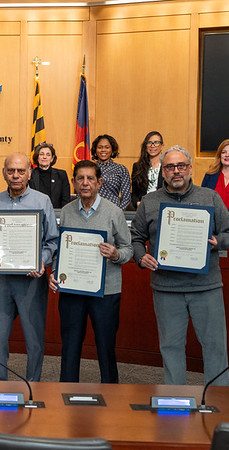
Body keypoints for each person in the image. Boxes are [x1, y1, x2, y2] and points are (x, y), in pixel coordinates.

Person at [131, 145, 229, 386]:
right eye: (170, 167)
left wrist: (217, 241)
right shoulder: (149, 202)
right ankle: (175, 403)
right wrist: (140, 257)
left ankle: (219, 402)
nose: (176, 171)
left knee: (214, 347)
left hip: (206, 287)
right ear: (164, 172)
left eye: (181, 166)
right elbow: (135, 238)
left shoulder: (209, 197)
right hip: (166, 289)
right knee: (170, 348)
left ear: (190, 168)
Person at [48, 160, 132, 383]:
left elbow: (128, 249)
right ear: (74, 182)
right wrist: (55, 272)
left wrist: (116, 254)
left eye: (90, 179)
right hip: (72, 290)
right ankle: (65, 391)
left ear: (99, 182)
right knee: (70, 345)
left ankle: (111, 394)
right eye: (80, 179)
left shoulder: (114, 212)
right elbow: (59, 250)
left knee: (105, 346)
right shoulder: (65, 212)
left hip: (106, 292)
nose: (85, 183)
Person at [0, 153, 59, 381]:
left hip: (31, 280)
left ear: (29, 173)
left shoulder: (42, 201)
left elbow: (52, 241)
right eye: (11, 171)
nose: (16, 176)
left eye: (21, 171)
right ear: (4, 172)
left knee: (34, 340)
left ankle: (34, 385)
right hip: (1, 281)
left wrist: (40, 260)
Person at [91, 134, 131, 210]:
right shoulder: (89, 168)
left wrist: (118, 213)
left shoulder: (121, 169)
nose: (103, 150)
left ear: (112, 149)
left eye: (107, 147)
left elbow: (126, 198)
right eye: (100, 147)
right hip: (91, 212)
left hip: (113, 211)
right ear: (95, 150)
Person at [28, 142, 71, 209]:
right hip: (35, 213)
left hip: (56, 213)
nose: (44, 157)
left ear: (52, 158)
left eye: (48, 155)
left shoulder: (61, 175)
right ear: (37, 157)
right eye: (41, 154)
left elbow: (66, 200)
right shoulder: (30, 175)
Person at [131, 131, 165, 208]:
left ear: (162, 145)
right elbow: (134, 193)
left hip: (162, 207)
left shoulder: (167, 166)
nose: (152, 146)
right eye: (149, 143)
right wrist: (137, 203)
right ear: (146, 146)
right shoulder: (138, 166)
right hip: (143, 207)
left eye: (156, 142)